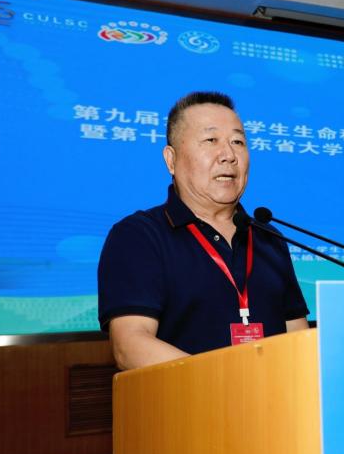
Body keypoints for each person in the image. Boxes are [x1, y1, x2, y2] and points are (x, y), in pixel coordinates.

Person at [98, 91, 309, 371]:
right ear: (171, 160)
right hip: (188, 399)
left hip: (277, 397)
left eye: (238, 142)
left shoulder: (268, 237)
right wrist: (226, 383)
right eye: (211, 140)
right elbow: (130, 345)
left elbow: (297, 335)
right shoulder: (139, 236)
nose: (229, 155)